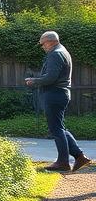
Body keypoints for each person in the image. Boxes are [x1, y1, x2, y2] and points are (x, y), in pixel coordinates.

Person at [25, 31, 91, 173]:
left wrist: (34, 81)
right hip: (60, 93)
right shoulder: (63, 51)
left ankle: (63, 162)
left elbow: (51, 78)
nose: (42, 47)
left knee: (56, 129)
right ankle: (80, 157)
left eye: (42, 44)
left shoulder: (55, 54)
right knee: (60, 127)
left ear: (50, 41)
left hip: (54, 94)